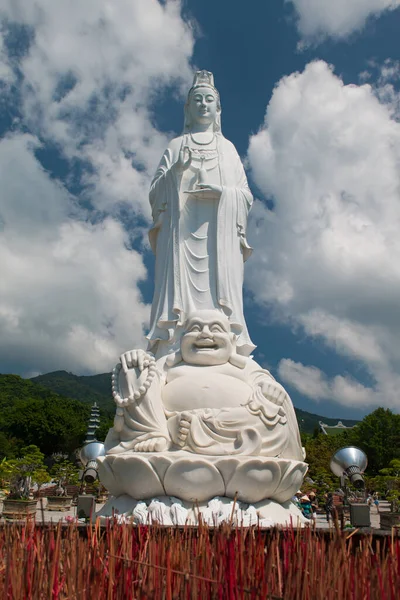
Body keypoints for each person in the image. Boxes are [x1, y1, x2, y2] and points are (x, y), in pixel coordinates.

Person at [147, 70, 255, 359]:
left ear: (218, 109)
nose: (203, 104)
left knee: (220, 291)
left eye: (209, 100)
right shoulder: (175, 146)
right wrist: (176, 172)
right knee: (178, 294)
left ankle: (225, 341)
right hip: (180, 237)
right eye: (198, 99)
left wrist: (222, 193)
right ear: (188, 108)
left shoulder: (228, 149)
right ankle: (174, 344)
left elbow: (245, 195)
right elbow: (154, 193)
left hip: (218, 239)